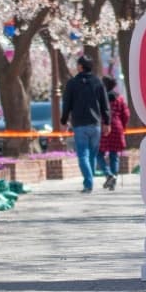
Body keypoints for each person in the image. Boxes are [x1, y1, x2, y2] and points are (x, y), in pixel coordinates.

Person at [60, 55, 110, 193]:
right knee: (92, 155)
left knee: (83, 155)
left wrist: (63, 121)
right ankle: (89, 181)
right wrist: (107, 122)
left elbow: (67, 104)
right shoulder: (97, 82)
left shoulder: (72, 83)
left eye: (78, 65)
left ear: (81, 66)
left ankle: (88, 183)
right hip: (95, 124)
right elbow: (105, 104)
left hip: (80, 124)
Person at [97, 76, 129, 191]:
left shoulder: (100, 98)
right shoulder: (119, 98)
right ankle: (113, 178)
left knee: (99, 153)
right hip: (117, 126)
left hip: (104, 127)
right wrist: (123, 126)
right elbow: (126, 114)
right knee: (114, 154)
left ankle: (108, 173)